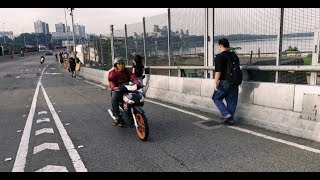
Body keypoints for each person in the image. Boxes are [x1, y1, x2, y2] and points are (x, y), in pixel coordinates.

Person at [212, 38, 242, 126]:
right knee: (232, 100)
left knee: (216, 98)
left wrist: (215, 82)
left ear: (220, 45)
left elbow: (218, 71)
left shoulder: (219, 56)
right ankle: (231, 120)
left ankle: (226, 114)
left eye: (219, 46)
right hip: (235, 81)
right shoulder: (234, 55)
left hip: (225, 81)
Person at [108, 57, 141, 126]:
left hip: (127, 87)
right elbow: (111, 82)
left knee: (137, 94)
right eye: (119, 64)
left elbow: (133, 76)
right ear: (115, 65)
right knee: (114, 98)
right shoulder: (112, 73)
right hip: (118, 89)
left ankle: (135, 110)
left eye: (122, 63)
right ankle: (117, 116)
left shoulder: (126, 70)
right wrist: (114, 87)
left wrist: (138, 83)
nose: (121, 65)